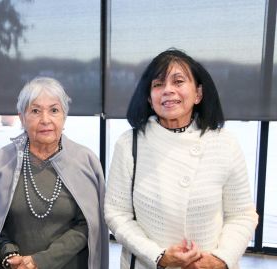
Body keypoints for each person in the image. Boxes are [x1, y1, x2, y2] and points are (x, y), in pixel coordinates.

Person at [104, 49, 258, 269]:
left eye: (178, 82)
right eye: (158, 85)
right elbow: (117, 214)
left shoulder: (225, 143)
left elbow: (242, 215)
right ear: (149, 97)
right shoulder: (129, 143)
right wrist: (158, 256)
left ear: (198, 94)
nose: (168, 90)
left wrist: (220, 259)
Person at [0, 77, 109, 269]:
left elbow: (88, 224)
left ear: (64, 116)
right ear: (22, 117)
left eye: (54, 110)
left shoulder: (84, 161)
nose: (45, 120)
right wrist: (9, 254)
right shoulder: (3, 161)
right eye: (35, 111)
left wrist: (42, 261)